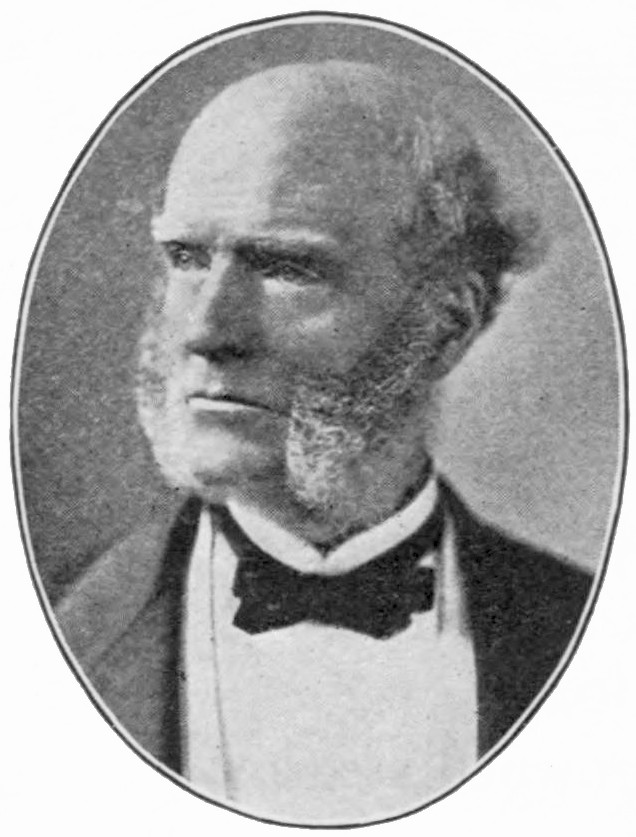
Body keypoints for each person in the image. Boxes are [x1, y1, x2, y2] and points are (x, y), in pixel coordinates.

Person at [55, 61, 592, 825]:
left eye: (286, 267)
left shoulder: (593, 637)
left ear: (447, 324)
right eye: (186, 258)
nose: (206, 330)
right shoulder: (53, 628)